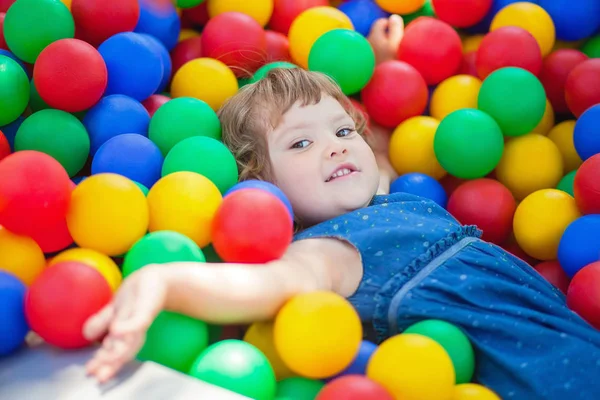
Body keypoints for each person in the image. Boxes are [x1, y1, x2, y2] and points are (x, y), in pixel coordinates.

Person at [83, 16, 600, 399]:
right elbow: (266, 285)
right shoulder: (334, 250)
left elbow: (378, 147)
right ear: (264, 185)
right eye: (300, 145)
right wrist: (165, 282)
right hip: (547, 376)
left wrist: (384, 59)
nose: (335, 146)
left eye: (342, 130)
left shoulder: (391, 201)